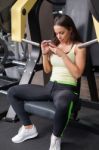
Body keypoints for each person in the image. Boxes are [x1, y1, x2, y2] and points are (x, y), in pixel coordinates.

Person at [7, 14, 86, 150]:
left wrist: (62, 55)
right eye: (56, 33)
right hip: (49, 87)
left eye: (62, 32)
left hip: (66, 89)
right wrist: (44, 54)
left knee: (63, 101)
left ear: (70, 30)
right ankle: (28, 128)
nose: (59, 36)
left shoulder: (79, 47)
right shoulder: (55, 45)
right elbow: (47, 70)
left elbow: (77, 73)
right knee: (12, 92)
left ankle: (55, 138)